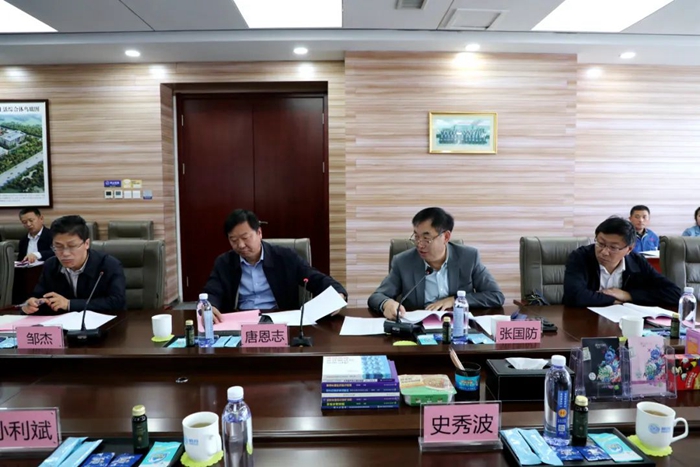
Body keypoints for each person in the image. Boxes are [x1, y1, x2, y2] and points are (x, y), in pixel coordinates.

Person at [203, 209, 348, 322]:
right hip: (240, 321)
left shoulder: (285, 257)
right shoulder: (224, 263)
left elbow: (315, 278)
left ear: (259, 233)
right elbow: (212, 292)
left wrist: (337, 293)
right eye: (233, 240)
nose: (240, 245)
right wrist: (209, 306)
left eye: (245, 238)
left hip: (280, 320)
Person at [368, 207, 505, 319]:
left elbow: (496, 296)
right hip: (417, 330)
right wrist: (387, 303)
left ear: (446, 237)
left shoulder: (468, 258)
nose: (419, 244)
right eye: (416, 237)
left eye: (426, 238)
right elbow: (377, 296)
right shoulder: (403, 262)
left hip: (458, 328)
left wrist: (454, 300)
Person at [563, 217, 681, 308]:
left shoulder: (637, 261)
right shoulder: (580, 257)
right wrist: (612, 299)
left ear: (629, 249)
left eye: (613, 247)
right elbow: (573, 296)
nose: (604, 252)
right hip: (584, 320)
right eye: (600, 244)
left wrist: (627, 295)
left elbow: (675, 294)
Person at [22, 215, 126, 315]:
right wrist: (30, 304)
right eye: (58, 246)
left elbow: (117, 302)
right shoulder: (51, 265)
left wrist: (69, 304)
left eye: (72, 246)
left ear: (86, 244)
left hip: (105, 324)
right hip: (63, 324)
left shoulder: (108, 265)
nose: (65, 253)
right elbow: (38, 296)